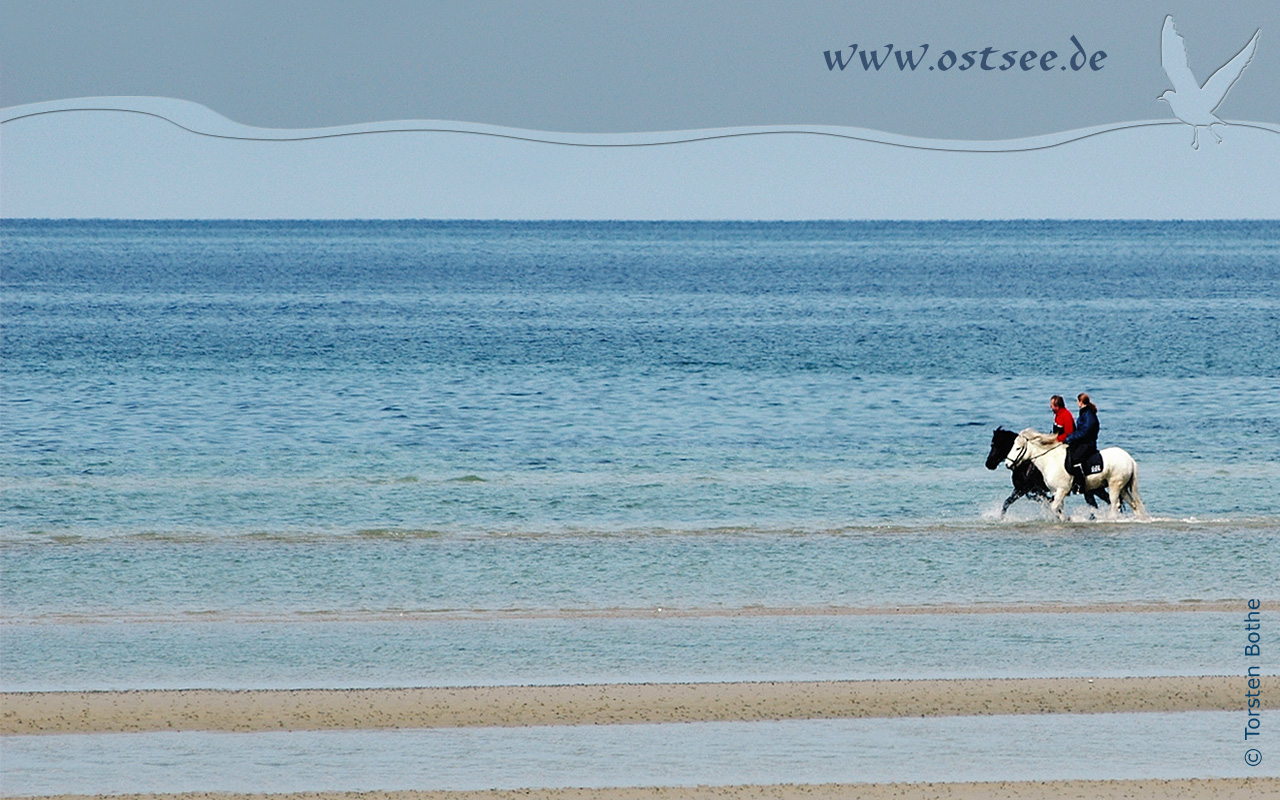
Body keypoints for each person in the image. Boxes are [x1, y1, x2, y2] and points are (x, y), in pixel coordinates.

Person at [1063, 392, 1100, 494]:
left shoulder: (1088, 415)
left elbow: (1084, 432)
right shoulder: (1085, 413)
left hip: (1087, 444)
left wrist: (1070, 437)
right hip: (1083, 442)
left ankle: (1081, 483)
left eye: (1078, 401)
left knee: (1074, 459)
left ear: (1080, 402)